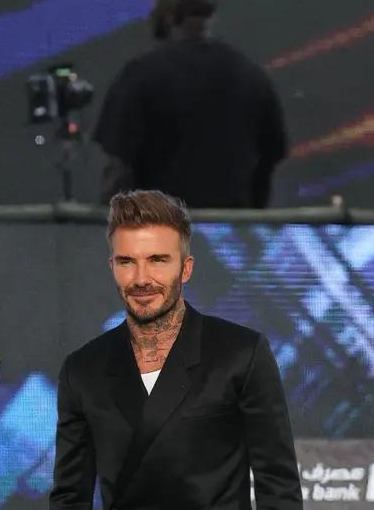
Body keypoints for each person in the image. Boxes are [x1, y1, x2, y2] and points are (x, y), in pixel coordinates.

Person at [50, 190, 302, 509]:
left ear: (185, 268)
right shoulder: (82, 370)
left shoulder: (242, 353)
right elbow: (70, 496)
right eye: (128, 262)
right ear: (112, 267)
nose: (141, 279)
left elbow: (278, 485)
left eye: (157, 260)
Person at [93, 0, 288, 208]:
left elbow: (118, 172)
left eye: (157, 4)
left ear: (169, 14)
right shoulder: (252, 76)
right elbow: (270, 160)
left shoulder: (140, 76)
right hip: (232, 235)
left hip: (160, 236)